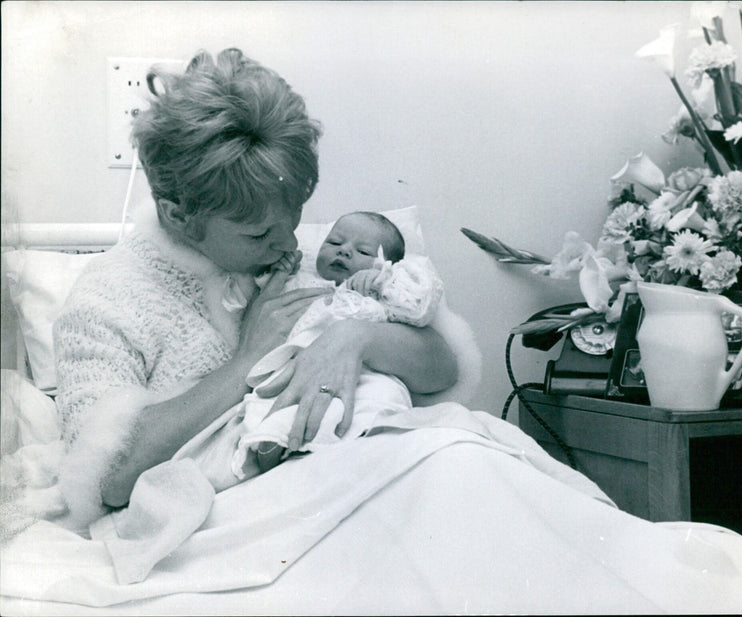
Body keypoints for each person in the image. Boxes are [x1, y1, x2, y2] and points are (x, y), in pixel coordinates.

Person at [51, 48, 459, 533]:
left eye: (295, 220)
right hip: (258, 515)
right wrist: (246, 361)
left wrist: (353, 338)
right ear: (178, 215)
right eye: (259, 235)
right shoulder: (106, 302)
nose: (288, 243)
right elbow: (102, 481)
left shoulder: (315, 257)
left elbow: (446, 368)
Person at [175, 210, 445, 489]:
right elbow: (236, 299)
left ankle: (360, 451)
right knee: (268, 406)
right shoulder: (299, 279)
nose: (344, 252)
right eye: (334, 243)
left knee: (376, 400)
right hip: (293, 367)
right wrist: (278, 270)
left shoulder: (382, 291)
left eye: (363, 251)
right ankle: (269, 447)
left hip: (364, 374)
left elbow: (419, 308)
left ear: (385, 264)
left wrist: (383, 282)